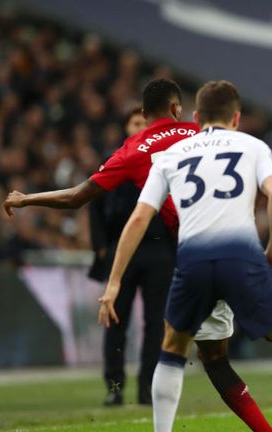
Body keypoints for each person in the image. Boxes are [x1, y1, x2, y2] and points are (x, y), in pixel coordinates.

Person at [4, 79, 272, 430]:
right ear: (179, 109)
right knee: (269, 333)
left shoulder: (134, 150)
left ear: (144, 115)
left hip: (188, 254)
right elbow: (268, 181)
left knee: (180, 348)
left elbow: (77, 198)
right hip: (233, 242)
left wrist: (27, 199)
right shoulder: (201, 132)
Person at [98, 80, 272, 432]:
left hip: (191, 263)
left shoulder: (171, 155)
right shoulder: (252, 145)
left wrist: (113, 283)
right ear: (236, 117)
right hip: (242, 258)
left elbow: (139, 218)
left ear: (197, 116)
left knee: (172, 350)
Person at [87, 106, 175, 406]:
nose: (139, 127)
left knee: (156, 324)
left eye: (144, 123)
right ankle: (115, 386)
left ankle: (147, 388)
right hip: (121, 250)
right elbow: (93, 202)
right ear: (125, 127)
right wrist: (100, 244)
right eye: (134, 122)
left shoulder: (165, 159)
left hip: (159, 250)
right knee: (115, 320)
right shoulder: (117, 160)